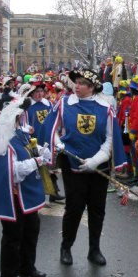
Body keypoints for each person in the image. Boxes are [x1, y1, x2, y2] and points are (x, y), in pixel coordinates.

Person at [41, 67, 126, 266]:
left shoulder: (105, 108)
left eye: (81, 83)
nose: (76, 86)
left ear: (92, 87)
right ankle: (66, 247)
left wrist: (96, 160)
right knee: (74, 207)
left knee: (97, 208)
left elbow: (110, 138)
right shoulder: (64, 103)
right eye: (76, 82)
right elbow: (51, 127)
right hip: (72, 164)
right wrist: (59, 144)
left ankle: (94, 249)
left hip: (98, 166)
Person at [0, 97, 49, 277]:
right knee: (13, 238)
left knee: (31, 231)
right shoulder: (4, 142)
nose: (22, 118)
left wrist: (42, 150)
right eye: (19, 115)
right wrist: (37, 161)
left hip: (26, 196)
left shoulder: (19, 135)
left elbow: (29, 148)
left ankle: (27, 268)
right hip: (13, 198)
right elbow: (13, 172)